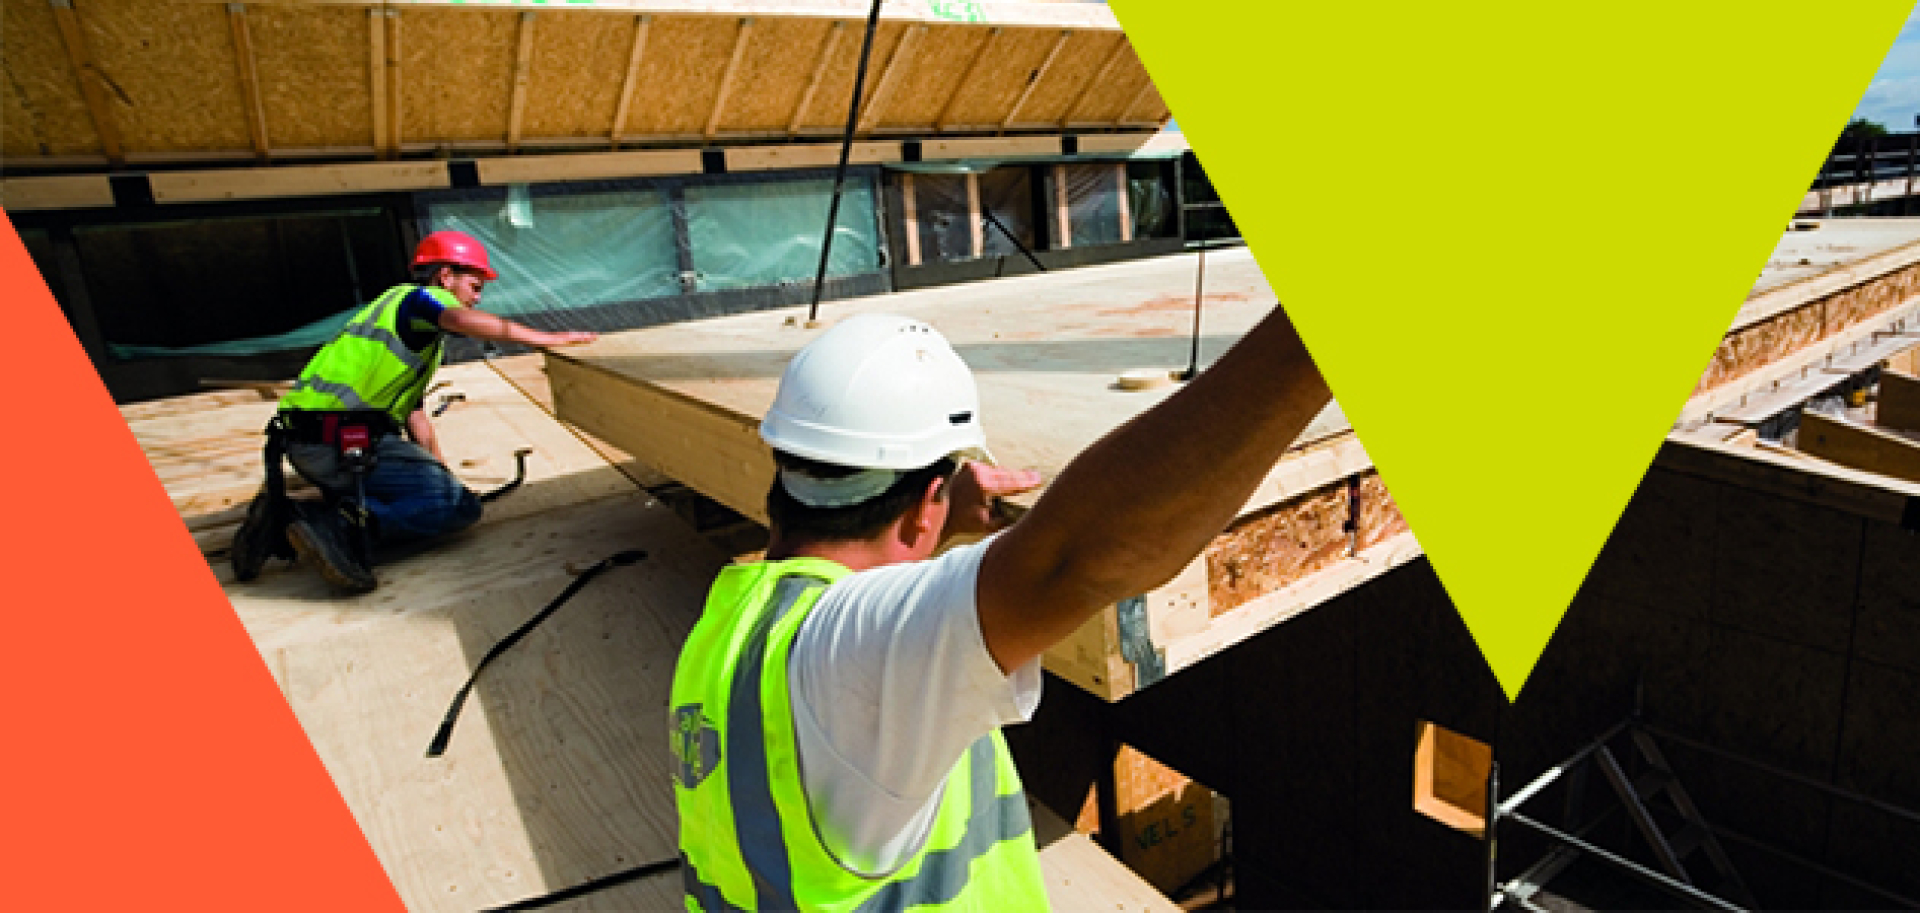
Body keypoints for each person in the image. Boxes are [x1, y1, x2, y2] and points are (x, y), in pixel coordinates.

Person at [670, 306, 1331, 909]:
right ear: (928, 499)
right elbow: (1078, 556)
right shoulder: (849, 663)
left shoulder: (736, 620)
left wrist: (932, 519)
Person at [230, 229, 597, 594]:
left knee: (447, 495)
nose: (478, 296)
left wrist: (444, 476)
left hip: (305, 442)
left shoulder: (398, 326)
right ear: (444, 276)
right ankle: (332, 525)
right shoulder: (419, 300)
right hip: (337, 445)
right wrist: (546, 338)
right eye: (474, 284)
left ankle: (292, 516)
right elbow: (463, 322)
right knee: (456, 509)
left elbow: (416, 417)